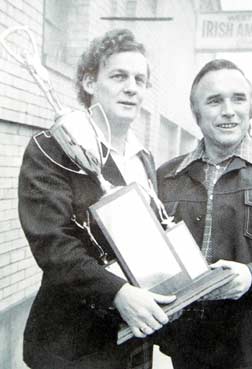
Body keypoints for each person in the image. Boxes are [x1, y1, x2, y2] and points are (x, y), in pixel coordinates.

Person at [18, 29, 175, 369]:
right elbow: (52, 245)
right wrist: (117, 292)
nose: (132, 87)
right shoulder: (52, 147)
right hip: (74, 345)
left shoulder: (142, 156)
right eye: (119, 76)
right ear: (90, 82)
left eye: (140, 79)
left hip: (135, 340)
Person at [156, 59, 252, 369]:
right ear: (197, 114)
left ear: (251, 108)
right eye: (214, 101)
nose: (228, 110)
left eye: (238, 98)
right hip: (187, 347)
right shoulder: (166, 176)